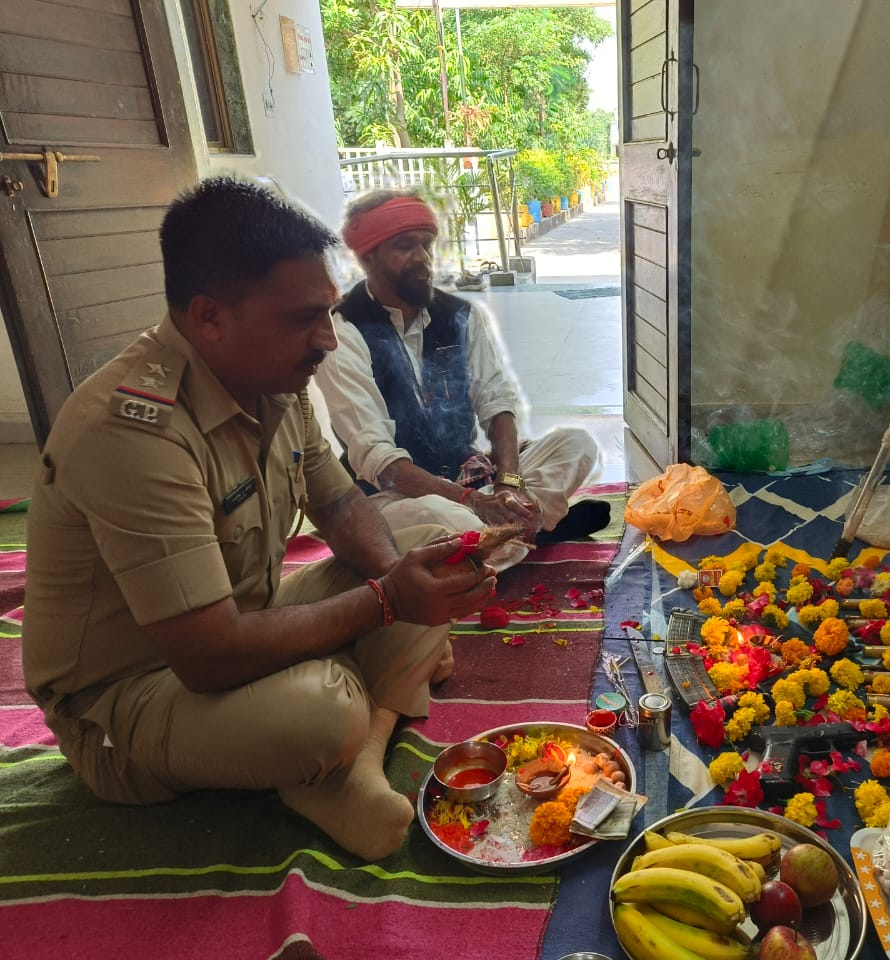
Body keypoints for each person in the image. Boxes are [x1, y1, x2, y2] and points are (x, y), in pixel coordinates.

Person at [21, 177, 496, 863]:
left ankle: (352, 767)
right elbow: (210, 655)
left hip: (244, 625)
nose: (328, 340)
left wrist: (399, 580)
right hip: (127, 701)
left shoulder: (272, 380)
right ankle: (342, 733)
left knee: (430, 550)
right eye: (305, 318)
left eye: (330, 314)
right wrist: (390, 604)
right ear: (211, 316)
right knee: (321, 710)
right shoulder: (131, 432)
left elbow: (338, 503)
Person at [314, 189, 609, 571]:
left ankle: (505, 534)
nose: (422, 258)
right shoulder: (343, 334)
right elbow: (382, 463)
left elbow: (497, 403)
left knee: (577, 444)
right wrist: (470, 501)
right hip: (394, 499)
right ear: (368, 256)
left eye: (426, 245)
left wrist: (508, 485)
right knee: (457, 524)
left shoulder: (460, 316)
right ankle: (531, 530)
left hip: (469, 480)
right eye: (405, 246)